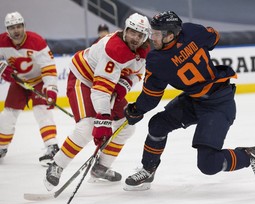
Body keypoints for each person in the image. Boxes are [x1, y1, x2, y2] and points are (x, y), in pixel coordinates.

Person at [123, 11, 255, 191]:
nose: (152, 37)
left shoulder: (157, 60)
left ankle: (249, 155)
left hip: (218, 103)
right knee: (158, 125)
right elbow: (214, 37)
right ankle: (148, 169)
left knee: (208, 165)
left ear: (170, 35)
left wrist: (136, 110)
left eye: (157, 34)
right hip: (194, 100)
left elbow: (152, 97)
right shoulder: (191, 31)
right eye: (152, 32)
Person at [44, 13, 150, 191]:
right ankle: (57, 165)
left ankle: (101, 167)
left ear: (145, 37)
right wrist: (102, 120)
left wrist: (124, 84)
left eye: (140, 35)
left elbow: (137, 73)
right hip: (83, 79)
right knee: (87, 127)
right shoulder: (113, 49)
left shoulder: (142, 51)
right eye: (132, 32)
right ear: (126, 30)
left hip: (108, 82)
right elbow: (100, 89)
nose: (135, 38)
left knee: (126, 126)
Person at [0, 12, 59, 166]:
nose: (16, 30)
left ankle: (52, 146)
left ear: (24, 26)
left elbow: (49, 68)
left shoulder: (36, 41)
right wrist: (2, 69)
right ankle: (1, 147)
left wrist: (51, 89)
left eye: (19, 26)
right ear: (7, 30)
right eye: (12, 27)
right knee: (8, 115)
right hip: (19, 82)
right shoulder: (1, 41)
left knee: (42, 111)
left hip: (39, 80)